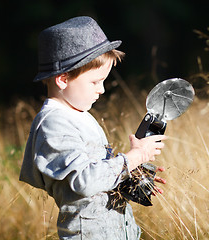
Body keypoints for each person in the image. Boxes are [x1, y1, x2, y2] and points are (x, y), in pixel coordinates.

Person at [19, 16, 166, 239]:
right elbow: (84, 181)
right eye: (95, 82)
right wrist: (132, 158)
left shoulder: (80, 115)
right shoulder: (53, 123)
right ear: (62, 79)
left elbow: (97, 172)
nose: (102, 90)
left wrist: (131, 174)